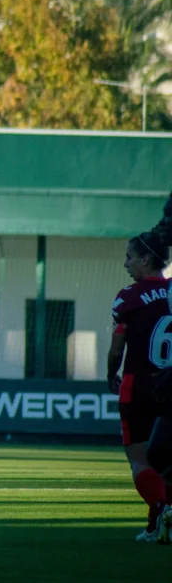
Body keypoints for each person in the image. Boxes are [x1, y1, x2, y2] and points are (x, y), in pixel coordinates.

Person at [107, 225, 172, 544]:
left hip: (138, 384)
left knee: (139, 459)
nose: (126, 264)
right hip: (170, 386)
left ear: (146, 259)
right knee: (167, 461)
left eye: (130, 258)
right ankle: (157, 525)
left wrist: (110, 373)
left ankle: (160, 510)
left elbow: (117, 346)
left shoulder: (129, 298)